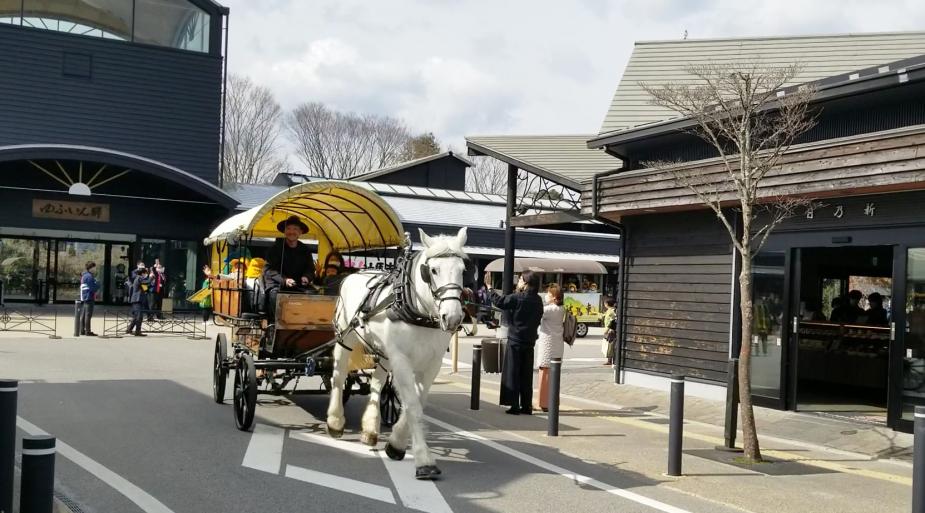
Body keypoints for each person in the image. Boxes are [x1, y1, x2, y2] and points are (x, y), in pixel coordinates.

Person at [492, 270, 544, 415]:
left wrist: (490, 289)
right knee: (526, 374)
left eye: (520, 279)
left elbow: (499, 302)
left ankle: (514, 405)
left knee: (513, 372)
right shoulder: (538, 299)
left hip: (515, 339)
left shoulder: (518, 297)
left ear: (526, 282)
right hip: (530, 340)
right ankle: (526, 405)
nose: (518, 281)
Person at [263, 215, 315, 320]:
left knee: (314, 294)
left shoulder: (305, 250)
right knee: (275, 295)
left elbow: (310, 269)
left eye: (295, 229)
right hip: (277, 284)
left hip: (298, 285)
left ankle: (305, 324)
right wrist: (284, 280)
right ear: (284, 231)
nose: (292, 232)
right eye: (289, 229)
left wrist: (306, 277)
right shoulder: (275, 248)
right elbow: (269, 270)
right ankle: (275, 325)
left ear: (300, 232)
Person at [535, 284, 566, 411]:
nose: (546, 296)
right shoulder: (561, 309)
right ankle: (553, 402)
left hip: (547, 345)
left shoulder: (549, 310)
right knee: (554, 376)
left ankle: (543, 403)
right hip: (557, 345)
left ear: (554, 297)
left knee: (544, 374)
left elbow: (537, 312)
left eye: (548, 294)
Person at [127, 267, 150, 336]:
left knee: (136, 316)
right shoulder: (139, 278)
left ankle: (129, 329)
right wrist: (151, 278)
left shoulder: (139, 279)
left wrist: (150, 283)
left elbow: (145, 288)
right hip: (137, 300)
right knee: (139, 316)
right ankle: (137, 331)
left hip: (138, 300)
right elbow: (146, 282)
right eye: (146, 274)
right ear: (143, 273)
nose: (146, 275)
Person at [79, 261, 100, 336]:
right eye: (94, 267)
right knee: (88, 315)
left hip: (85, 297)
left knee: (84, 314)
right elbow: (93, 288)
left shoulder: (85, 275)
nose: (95, 268)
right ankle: (88, 331)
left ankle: (82, 330)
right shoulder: (89, 276)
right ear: (91, 268)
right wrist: (98, 284)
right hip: (89, 297)